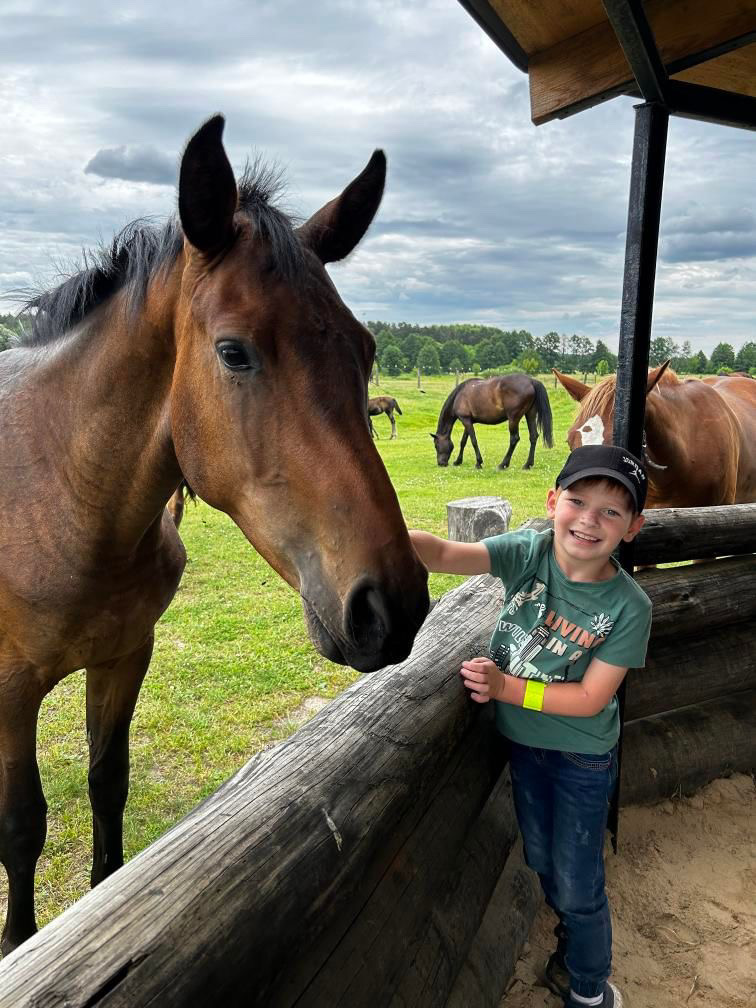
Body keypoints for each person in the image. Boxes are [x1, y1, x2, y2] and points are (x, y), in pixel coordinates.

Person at [409, 444, 652, 1008]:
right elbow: (446, 551)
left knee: (578, 881)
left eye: (611, 512)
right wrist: (385, 537)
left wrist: (505, 689)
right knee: (542, 857)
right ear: (552, 502)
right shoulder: (530, 551)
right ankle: (571, 945)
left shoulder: (628, 606)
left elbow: (592, 698)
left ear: (633, 527)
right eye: (578, 500)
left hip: (582, 759)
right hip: (525, 748)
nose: (589, 520)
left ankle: (591, 990)